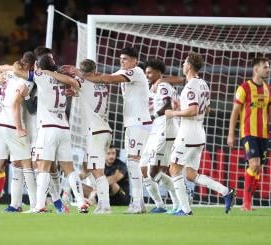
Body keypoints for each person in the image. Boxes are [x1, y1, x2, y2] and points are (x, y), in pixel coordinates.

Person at [12, 55, 88, 213]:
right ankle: (81, 203)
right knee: (69, 169)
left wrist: (13, 65)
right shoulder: (63, 79)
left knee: (43, 168)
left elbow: (17, 71)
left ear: (39, 66)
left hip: (48, 128)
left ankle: (39, 206)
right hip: (64, 128)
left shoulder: (41, 76)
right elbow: (77, 84)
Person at [165, 52, 236, 216]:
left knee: (174, 169)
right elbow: (206, 109)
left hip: (188, 133)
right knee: (190, 174)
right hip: (199, 133)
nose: (182, 65)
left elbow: (193, 110)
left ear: (189, 65)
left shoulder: (190, 86)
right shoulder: (203, 84)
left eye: (184, 63)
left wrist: (173, 113)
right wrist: (181, 107)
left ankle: (185, 209)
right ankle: (226, 191)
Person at [85, 47, 151, 214]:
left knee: (133, 162)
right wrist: (86, 76)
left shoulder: (136, 71)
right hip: (132, 123)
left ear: (135, 60)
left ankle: (137, 203)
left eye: (126, 59)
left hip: (139, 122)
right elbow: (103, 78)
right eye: (121, 58)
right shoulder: (124, 71)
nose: (122, 61)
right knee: (133, 163)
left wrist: (81, 76)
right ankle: (139, 203)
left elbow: (108, 79)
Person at [0, 52, 36, 212]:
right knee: (26, 164)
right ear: (31, 66)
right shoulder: (27, 81)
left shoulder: (6, 75)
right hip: (11, 126)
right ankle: (35, 206)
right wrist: (19, 127)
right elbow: (16, 104)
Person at [227, 57, 270, 211]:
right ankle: (246, 203)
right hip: (249, 133)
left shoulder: (267, 89)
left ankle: (248, 203)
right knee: (255, 164)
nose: (268, 69)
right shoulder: (244, 88)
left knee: (259, 169)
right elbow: (235, 113)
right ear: (256, 69)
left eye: (268, 67)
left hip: (264, 135)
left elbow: (268, 112)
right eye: (265, 67)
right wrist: (231, 134)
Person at [140, 59, 180, 213]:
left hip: (165, 128)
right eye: (146, 73)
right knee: (146, 168)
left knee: (154, 171)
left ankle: (180, 200)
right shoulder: (156, 87)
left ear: (159, 72)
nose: (147, 75)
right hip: (156, 130)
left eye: (150, 72)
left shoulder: (163, 85)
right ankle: (164, 205)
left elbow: (168, 105)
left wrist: (153, 114)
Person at [73, 59, 112, 214]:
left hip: (96, 131)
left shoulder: (82, 82)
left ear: (82, 72)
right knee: (90, 166)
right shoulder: (101, 83)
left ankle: (105, 205)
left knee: (97, 170)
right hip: (102, 130)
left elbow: (72, 83)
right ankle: (100, 201)